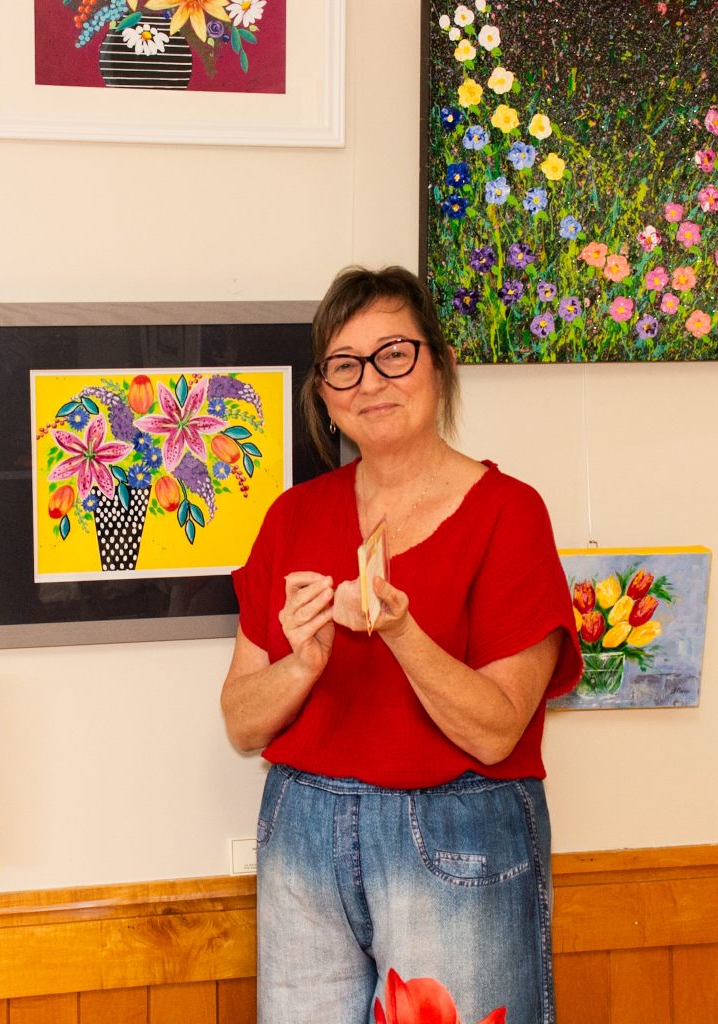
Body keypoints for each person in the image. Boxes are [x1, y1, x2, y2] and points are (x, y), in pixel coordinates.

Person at [221, 265, 582, 1024]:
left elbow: (496, 730)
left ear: (440, 364)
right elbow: (242, 722)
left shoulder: (510, 514)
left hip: (458, 830)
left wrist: (401, 632)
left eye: (394, 353)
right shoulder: (291, 517)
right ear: (324, 393)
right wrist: (305, 662)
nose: (370, 382)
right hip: (301, 828)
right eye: (344, 365)